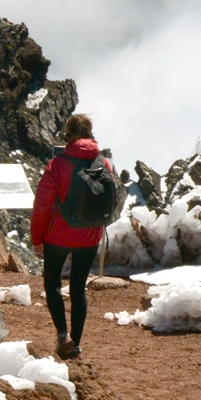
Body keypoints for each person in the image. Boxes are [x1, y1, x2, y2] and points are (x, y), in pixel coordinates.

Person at [31, 112, 117, 359]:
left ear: (68, 135)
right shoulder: (104, 163)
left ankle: (62, 336)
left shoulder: (57, 165)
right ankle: (76, 345)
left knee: (52, 284)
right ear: (90, 134)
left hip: (57, 236)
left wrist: (37, 239)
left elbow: (42, 206)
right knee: (78, 288)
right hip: (89, 236)